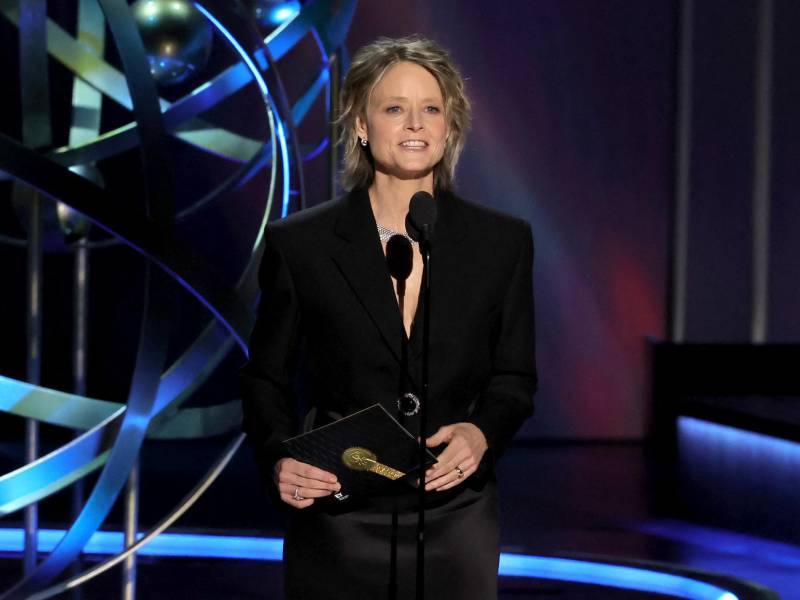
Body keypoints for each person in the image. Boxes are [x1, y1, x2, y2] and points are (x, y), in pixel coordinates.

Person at [241, 36, 537, 599]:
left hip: (456, 512)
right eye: (394, 108)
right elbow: (265, 378)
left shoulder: (502, 242)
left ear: (450, 127)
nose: (415, 125)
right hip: (340, 509)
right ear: (359, 122)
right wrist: (278, 457)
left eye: (431, 109)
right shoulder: (301, 244)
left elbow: (514, 379)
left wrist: (482, 434)